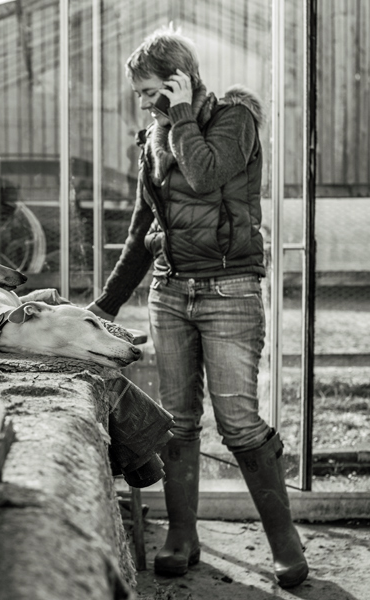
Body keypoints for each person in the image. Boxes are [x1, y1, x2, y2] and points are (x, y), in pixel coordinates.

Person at [85, 26, 308, 588]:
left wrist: (182, 116)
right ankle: (183, 536)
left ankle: (285, 542)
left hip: (230, 290)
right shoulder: (154, 137)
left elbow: (207, 177)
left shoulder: (235, 120)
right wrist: (104, 306)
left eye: (148, 91)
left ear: (178, 82)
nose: (140, 103)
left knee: (238, 422)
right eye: (139, 94)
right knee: (178, 420)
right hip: (170, 293)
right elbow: (143, 231)